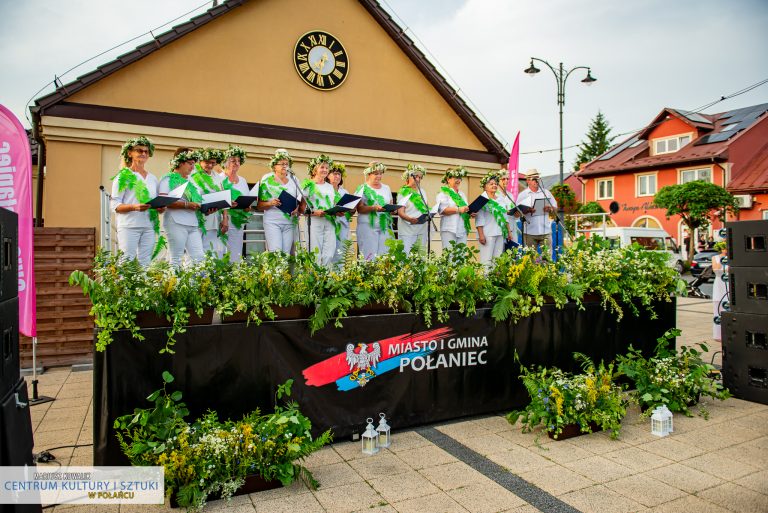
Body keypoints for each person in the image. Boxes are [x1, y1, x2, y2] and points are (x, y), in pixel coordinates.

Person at [110, 136, 162, 266]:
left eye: (146, 151)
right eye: (139, 150)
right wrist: (134, 207)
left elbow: (155, 202)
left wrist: (160, 208)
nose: (143, 153)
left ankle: (142, 287)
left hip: (149, 225)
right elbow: (114, 205)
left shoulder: (153, 178)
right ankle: (124, 287)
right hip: (129, 226)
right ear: (130, 153)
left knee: (145, 262)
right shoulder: (123, 176)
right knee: (127, 261)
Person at [158, 148, 206, 266]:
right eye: (190, 163)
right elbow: (162, 202)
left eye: (194, 164)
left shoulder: (192, 182)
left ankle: (193, 284)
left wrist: (207, 208)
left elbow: (198, 201)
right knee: (176, 258)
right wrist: (186, 204)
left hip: (193, 223)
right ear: (180, 162)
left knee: (199, 258)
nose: (192, 167)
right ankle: (174, 284)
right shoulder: (167, 179)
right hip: (175, 222)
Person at [257, 149, 301, 254]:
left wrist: (297, 208)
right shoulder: (266, 179)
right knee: (276, 253)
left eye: (286, 163)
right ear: (274, 166)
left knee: (285, 254)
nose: (284, 166)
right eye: (281, 164)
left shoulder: (294, 180)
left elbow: (300, 200)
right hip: (272, 221)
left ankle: (284, 271)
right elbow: (259, 205)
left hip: (289, 222)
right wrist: (271, 203)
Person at [302, 154, 338, 266]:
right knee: (315, 252)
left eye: (327, 168)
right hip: (314, 222)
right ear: (315, 169)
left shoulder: (329, 186)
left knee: (329, 253)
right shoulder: (308, 185)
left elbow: (333, 203)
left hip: (329, 221)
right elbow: (301, 208)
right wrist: (314, 212)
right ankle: (315, 279)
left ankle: (325, 278)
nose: (325, 170)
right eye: (322, 167)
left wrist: (338, 210)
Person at [191, 147, 227, 257]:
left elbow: (223, 196)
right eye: (207, 162)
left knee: (212, 253)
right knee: (195, 255)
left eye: (213, 163)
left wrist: (225, 218)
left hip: (214, 219)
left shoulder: (217, 176)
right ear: (200, 160)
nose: (210, 166)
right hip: (197, 220)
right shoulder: (193, 174)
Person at [355, 161, 393, 259]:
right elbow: (359, 208)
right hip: (368, 226)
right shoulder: (362, 188)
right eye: (376, 174)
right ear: (369, 174)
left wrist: (392, 209)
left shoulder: (386, 188)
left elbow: (391, 204)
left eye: (380, 173)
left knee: (384, 256)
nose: (379, 176)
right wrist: (373, 208)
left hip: (384, 225)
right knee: (369, 256)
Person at [221, 145, 251, 262]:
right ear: (226, 162)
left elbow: (247, 198)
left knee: (236, 250)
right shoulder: (220, 178)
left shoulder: (242, 180)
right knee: (222, 249)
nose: (236, 163)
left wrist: (247, 206)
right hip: (224, 220)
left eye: (238, 161)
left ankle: (235, 274)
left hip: (238, 221)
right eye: (233, 161)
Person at [475, 173, 513, 265]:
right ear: (485, 186)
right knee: (486, 261)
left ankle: (495, 279)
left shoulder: (500, 199)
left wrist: (509, 231)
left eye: (495, 183)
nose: (494, 185)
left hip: (500, 233)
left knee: (497, 260)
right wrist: (481, 235)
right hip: (487, 234)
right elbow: (479, 218)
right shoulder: (482, 199)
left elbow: (505, 217)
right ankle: (485, 279)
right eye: (491, 184)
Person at [517, 169, 557, 250]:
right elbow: (517, 213)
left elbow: (555, 208)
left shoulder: (546, 192)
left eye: (537, 178)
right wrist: (527, 210)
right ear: (528, 181)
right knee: (531, 259)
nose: (536, 180)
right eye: (534, 179)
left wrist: (550, 209)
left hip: (546, 230)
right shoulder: (522, 195)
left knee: (547, 259)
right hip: (530, 232)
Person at [397, 164, 430, 254]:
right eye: (415, 177)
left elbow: (426, 208)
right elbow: (400, 212)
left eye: (420, 177)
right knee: (406, 255)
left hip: (421, 228)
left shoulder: (422, 191)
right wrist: (409, 219)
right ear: (408, 177)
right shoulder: (403, 192)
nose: (418, 180)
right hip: (408, 229)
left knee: (421, 256)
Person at [435, 167, 470, 248]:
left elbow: (465, 209)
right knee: (450, 255)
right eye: (455, 178)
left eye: (459, 178)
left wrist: (470, 213)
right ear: (448, 179)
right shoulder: (443, 193)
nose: (458, 180)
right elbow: (442, 210)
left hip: (462, 228)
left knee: (461, 256)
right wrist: (458, 209)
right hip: (449, 229)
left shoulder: (462, 194)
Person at [327, 161, 352, 263]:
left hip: (342, 224)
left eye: (339, 174)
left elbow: (350, 211)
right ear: (328, 175)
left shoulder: (344, 192)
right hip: (329, 223)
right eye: (334, 173)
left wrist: (351, 210)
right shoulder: (325, 189)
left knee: (340, 252)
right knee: (329, 252)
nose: (337, 176)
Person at [494, 170, 521, 248]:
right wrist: (505, 211)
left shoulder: (510, 195)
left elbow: (513, 209)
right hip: (501, 228)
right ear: (497, 180)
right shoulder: (495, 194)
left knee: (513, 252)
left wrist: (517, 214)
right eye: (503, 179)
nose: (506, 181)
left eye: (507, 179)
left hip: (512, 226)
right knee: (501, 253)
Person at [711, 241, 729, 341]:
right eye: (723, 247)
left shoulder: (731, 257)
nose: (725, 249)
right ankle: (718, 335)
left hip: (728, 283)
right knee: (718, 309)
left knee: (728, 307)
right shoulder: (715, 258)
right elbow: (716, 269)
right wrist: (722, 258)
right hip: (719, 284)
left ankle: (728, 333)